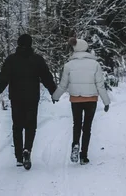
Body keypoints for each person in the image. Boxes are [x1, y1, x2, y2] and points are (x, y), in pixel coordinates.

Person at [0, 34, 57, 170]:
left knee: (17, 126)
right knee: (31, 126)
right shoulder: (37, 60)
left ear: (18, 44)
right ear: (31, 44)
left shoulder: (11, 60)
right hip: (32, 97)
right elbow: (46, 77)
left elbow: (3, 79)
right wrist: (54, 92)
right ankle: (27, 150)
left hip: (16, 98)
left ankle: (19, 157)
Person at [52, 37, 110, 165]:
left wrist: (55, 96)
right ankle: (84, 156)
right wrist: (106, 101)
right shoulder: (95, 64)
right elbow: (100, 85)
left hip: (76, 99)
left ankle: (75, 144)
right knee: (87, 127)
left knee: (77, 124)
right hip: (91, 100)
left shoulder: (68, 65)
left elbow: (63, 84)